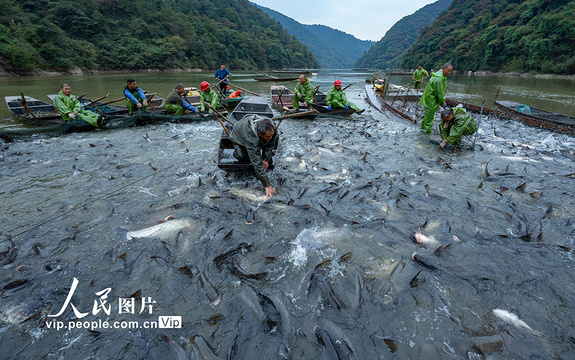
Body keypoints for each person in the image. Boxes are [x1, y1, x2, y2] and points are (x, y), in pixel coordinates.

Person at [229, 114, 278, 198]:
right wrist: (267, 185)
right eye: (268, 136)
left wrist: (265, 160)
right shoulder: (250, 137)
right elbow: (257, 163)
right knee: (240, 156)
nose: (271, 137)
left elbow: (271, 145)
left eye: (271, 135)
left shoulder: (272, 128)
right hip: (238, 136)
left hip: (252, 134)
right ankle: (242, 150)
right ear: (259, 134)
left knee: (269, 144)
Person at [419, 62, 453, 135]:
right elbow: (439, 93)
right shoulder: (439, 79)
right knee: (429, 119)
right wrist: (442, 102)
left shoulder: (438, 74)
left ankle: (422, 129)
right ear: (443, 69)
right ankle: (427, 133)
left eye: (451, 71)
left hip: (428, 98)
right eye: (448, 70)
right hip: (431, 100)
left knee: (427, 116)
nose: (449, 72)